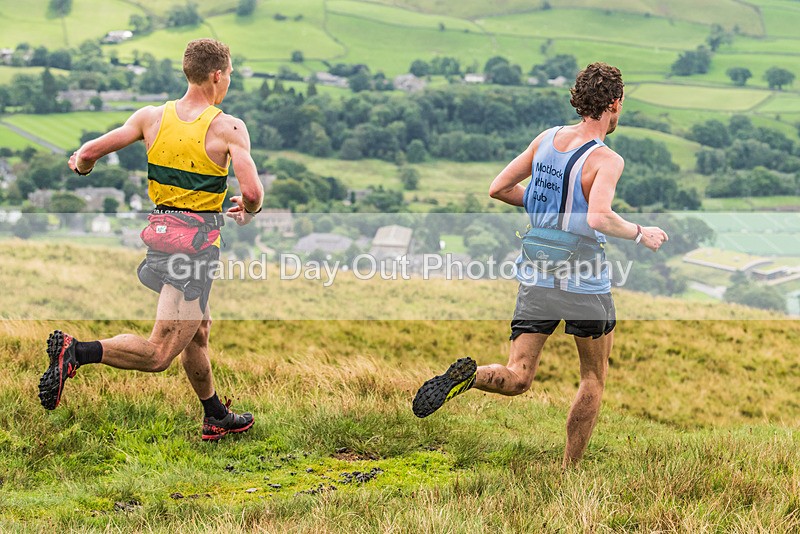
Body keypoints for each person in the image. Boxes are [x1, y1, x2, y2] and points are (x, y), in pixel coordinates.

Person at [412, 62, 668, 467]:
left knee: (518, 376)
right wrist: (640, 232)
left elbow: (499, 188)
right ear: (615, 103)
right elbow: (599, 218)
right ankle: (569, 470)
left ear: (579, 99)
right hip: (584, 280)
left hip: (536, 275)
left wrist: (543, 204)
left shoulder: (546, 140)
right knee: (593, 377)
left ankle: (470, 376)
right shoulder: (606, 159)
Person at [38, 38, 264, 442]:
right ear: (217, 75)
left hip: (160, 238)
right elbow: (252, 194)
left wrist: (83, 166)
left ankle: (215, 415)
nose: (228, 80)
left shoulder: (151, 117)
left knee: (198, 330)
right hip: (192, 251)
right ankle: (76, 352)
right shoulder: (227, 127)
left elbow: (88, 152)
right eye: (228, 74)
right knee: (159, 352)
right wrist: (248, 212)